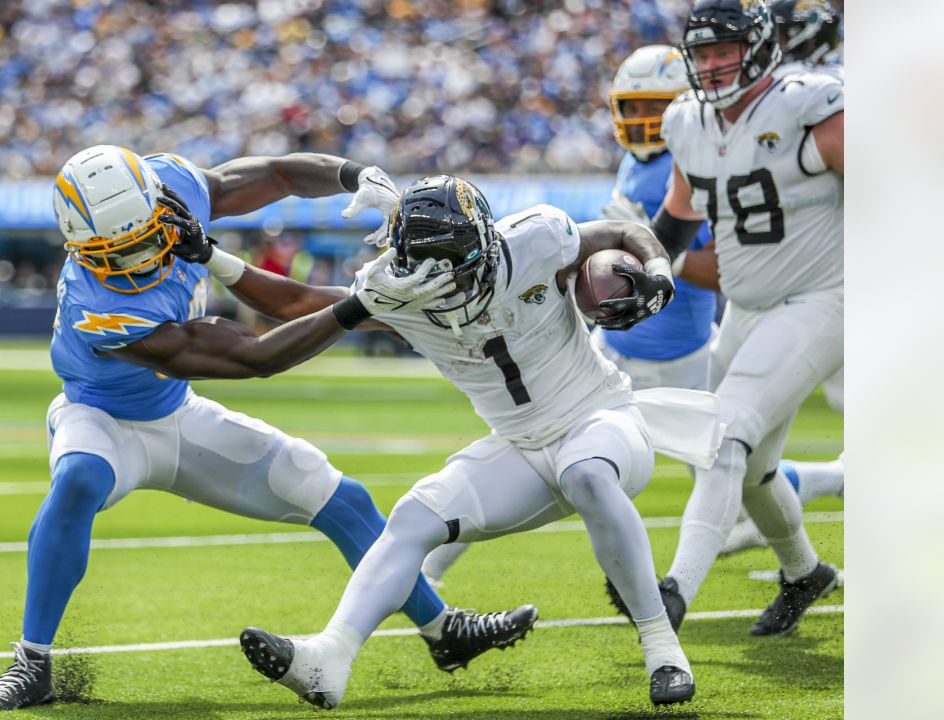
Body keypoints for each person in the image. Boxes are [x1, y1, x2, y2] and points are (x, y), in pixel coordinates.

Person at [0, 146, 535, 711]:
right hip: (101, 418)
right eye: (117, 251)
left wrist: (354, 175)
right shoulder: (96, 306)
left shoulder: (176, 185)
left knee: (337, 495)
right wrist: (362, 306)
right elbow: (254, 357)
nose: (140, 258)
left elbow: (279, 173)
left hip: (176, 412)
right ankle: (33, 663)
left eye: (146, 236)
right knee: (79, 478)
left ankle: (443, 630)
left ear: (157, 204)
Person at [225, 175, 720, 707]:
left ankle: (662, 646)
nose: (453, 286)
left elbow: (623, 229)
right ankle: (329, 657)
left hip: (600, 416)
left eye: (458, 269)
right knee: (413, 516)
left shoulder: (535, 237)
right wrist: (215, 257)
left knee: (586, 473)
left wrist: (660, 270)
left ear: (486, 242)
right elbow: (296, 301)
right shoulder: (390, 287)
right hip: (518, 447)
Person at [422, 44, 721, 589]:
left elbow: (725, 271)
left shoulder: (695, 165)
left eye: (652, 106)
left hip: (685, 349)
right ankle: (432, 572)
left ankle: (799, 561)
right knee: (531, 440)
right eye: (630, 108)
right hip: (611, 346)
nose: (639, 120)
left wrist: (653, 253)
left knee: (730, 465)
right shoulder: (637, 164)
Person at [647, 0, 844, 636]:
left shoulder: (807, 103)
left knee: (723, 437)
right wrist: (645, 274)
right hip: (748, 309)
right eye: (701, 53)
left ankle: (671, 594)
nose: (711, 64)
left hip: (825, 296)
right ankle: (804, 573)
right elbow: (677, 220)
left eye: (723, 49)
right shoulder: (687, 122)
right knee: (753, 468)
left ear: (759, 46)